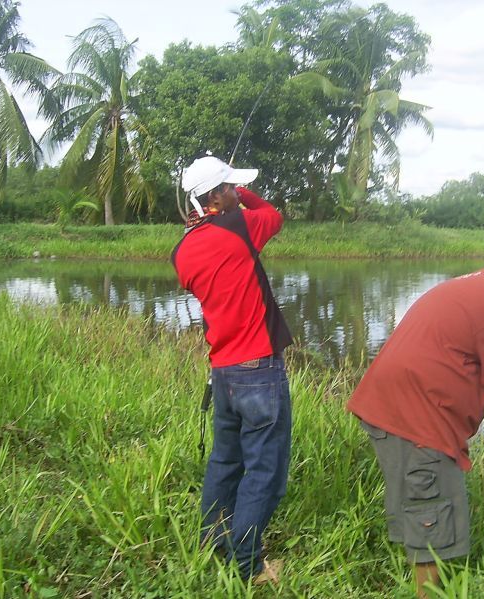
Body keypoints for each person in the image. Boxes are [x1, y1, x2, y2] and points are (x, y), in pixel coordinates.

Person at [346, 234, 484, 598]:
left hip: (386, 406)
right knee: (432, 518)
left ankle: (412, 581)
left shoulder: (471, 285)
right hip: (417, 419)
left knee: (419, 505)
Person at [171, 155, 293, 584]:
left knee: (225, 462)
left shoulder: (182, 250)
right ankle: (249, 566)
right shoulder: (238, 227)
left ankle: (214, 544)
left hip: (222, 371)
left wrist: (216, 206)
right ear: (218, 196)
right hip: (259, 368)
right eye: (231, 189)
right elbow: (273, 217)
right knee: (265, 470)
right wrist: (240, 198)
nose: (238, 195)